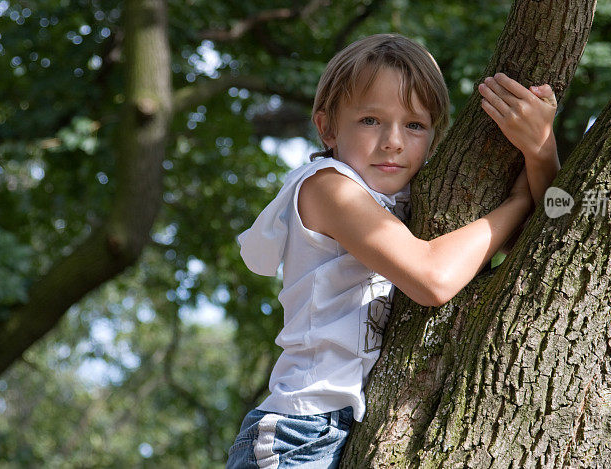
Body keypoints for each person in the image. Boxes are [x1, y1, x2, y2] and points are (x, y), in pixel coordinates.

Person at [226, 33, 560, 468]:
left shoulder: (408, 200)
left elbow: (549, 238)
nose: (393, 141)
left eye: (415, 125)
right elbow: (432, 278)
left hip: (345, 429)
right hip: (300, 435)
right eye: (370, 120)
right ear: (326, 127)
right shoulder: (326, 187)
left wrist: (541, 152)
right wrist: (517, 203)